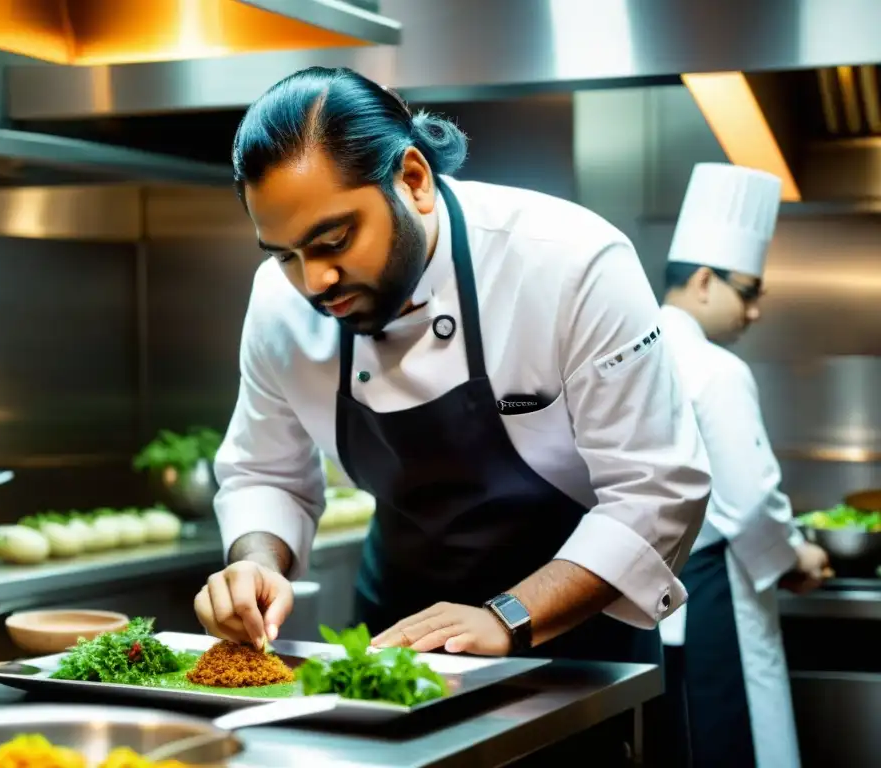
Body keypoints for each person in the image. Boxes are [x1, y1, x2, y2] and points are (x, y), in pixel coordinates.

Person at [194, 66, 711, 761]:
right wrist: (258, 564)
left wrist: (508, 617)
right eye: (286, 254)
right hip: (391, 653)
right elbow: (266, 473)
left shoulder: (569, 262)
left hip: (575, 651)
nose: (313, 281)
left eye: (334, 240)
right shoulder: (280, 303)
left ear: (412, 179)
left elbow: (657, 491)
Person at [657, 162, 833, 768]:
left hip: (648, 605)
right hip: (715, 598)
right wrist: (795, 555)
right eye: (750, 290)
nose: (754, 310)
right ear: (705, 280)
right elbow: (751, 501)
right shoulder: (716, 368)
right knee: (735, 741)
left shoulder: (630, 347)